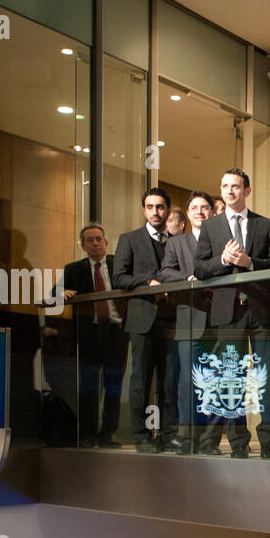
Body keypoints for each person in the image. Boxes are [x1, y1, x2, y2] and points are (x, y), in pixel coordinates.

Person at [194, 168, 270, 458]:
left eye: (236, 186)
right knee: (231, 379)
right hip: (227, 313)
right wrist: (222, 260)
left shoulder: (266, 225)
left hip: (262, 309)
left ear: (247, 191)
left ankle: (268, 442)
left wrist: (249, 262)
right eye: (225, 186)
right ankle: (238, 442)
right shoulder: (210, 227)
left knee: (267, 377)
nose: (230, 191)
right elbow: (199, 268)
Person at [114, 187, 180, 454]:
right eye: (151, 207)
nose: (156, 212)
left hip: (171, 319)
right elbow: (119, 277)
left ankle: (167, 434)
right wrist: (148, 282)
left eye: (161, 207)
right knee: (141, 380)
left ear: (167, 210)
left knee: (168, 380)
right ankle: (141, 436)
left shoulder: (176, 241)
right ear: (144, 210)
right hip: (142, 319)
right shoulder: (129, 239)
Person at [157, 190, 213, 454]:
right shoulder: (176, 243)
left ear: (212, 212)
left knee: (214, 382)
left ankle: (209, 441)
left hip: (219, 320)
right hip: (188, 319)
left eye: (205, 208)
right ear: (188, 214)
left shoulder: (221, 239)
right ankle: (188, 439)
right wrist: (187, 278)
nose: (200, 212)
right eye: (195, 208)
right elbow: (165, 271)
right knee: (187, 383)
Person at [61, 223, 127, 448]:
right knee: (88, 386)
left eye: (99, 239)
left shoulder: (119, 264)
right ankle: (87, 434)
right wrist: (62, 292)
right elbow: (53, 293)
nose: (95, 243)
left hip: (116, 333)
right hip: (90, 334)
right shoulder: (74, 269)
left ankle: (107, 434)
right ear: (82, 245)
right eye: (90, 240)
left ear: (106, 243)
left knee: (114, 387)